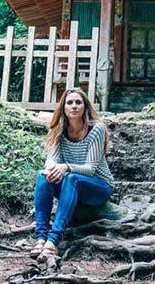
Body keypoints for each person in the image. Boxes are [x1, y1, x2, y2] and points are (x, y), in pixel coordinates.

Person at [31, 88, 114, 261]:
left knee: (71, 177)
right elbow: (51, 160)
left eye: (78, 102)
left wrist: (66, 167)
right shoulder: (59, 130)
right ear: (63, 108)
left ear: (85, 107)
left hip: (98, 187)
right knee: (43, 176)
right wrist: (52, 168)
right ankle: (40, 238)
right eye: (69, 103)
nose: (74, 106)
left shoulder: (96, 129)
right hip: (72, 184)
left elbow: (90, 169)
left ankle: (53, 242)